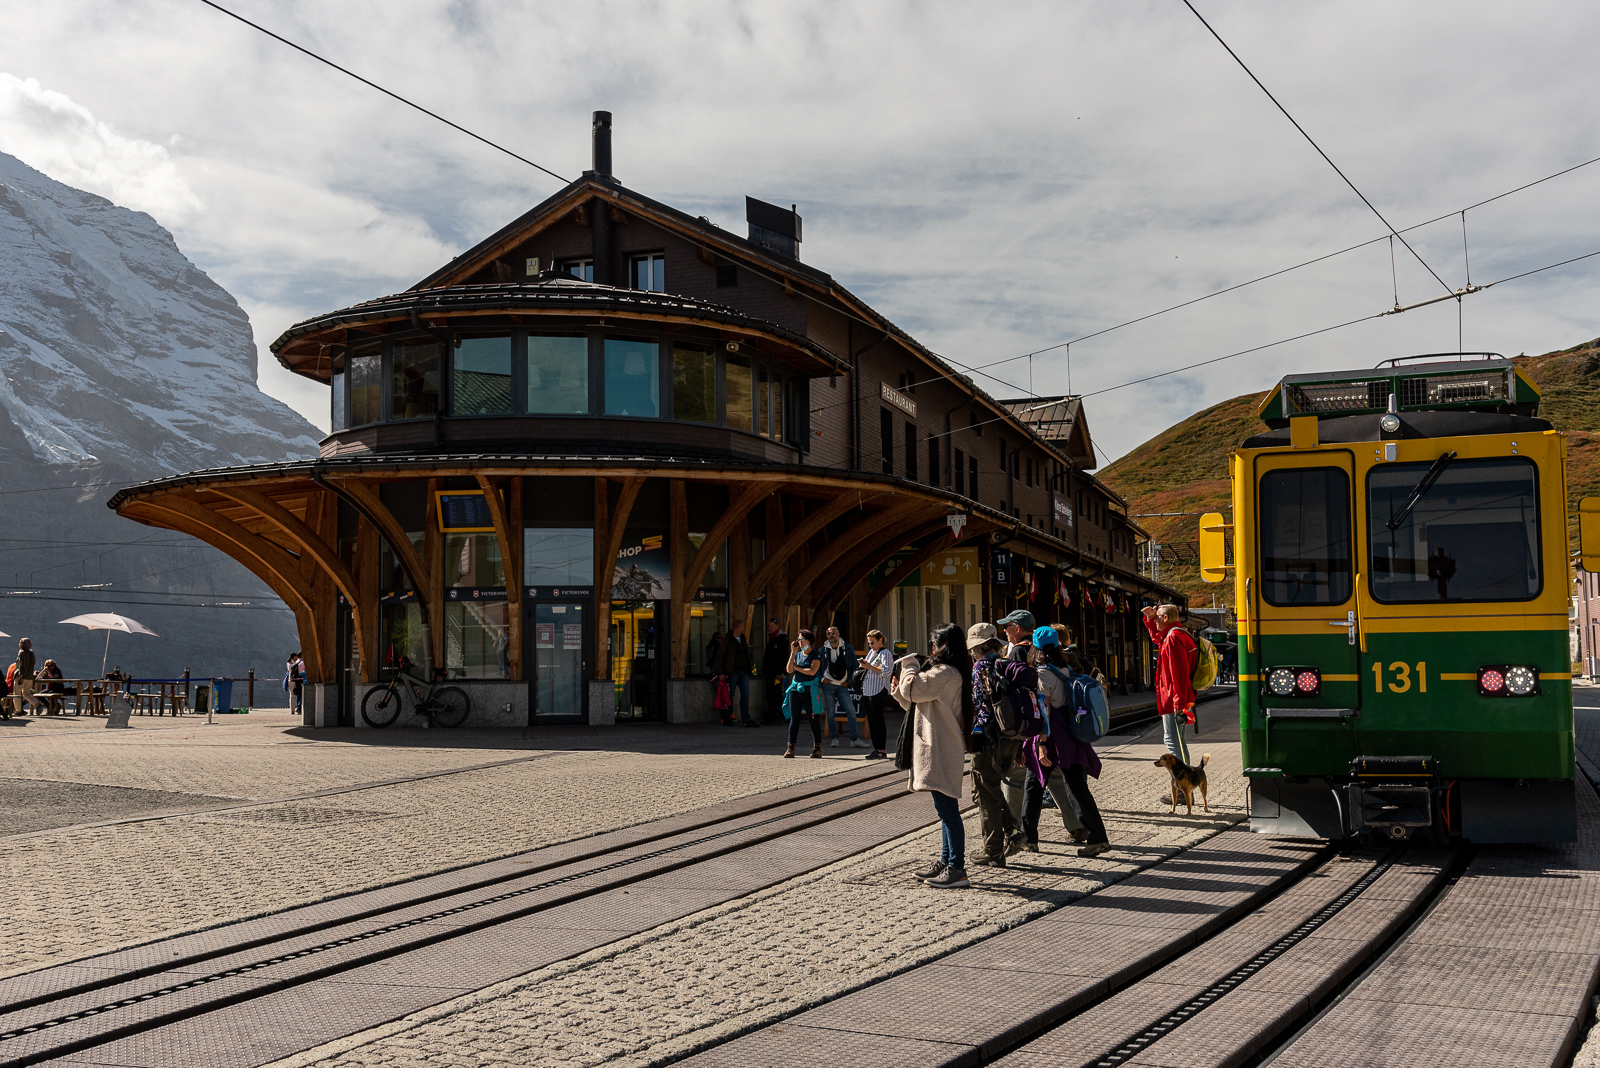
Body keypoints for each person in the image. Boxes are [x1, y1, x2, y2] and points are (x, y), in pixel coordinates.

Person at [894, 622, 975, 890]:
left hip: (943, 748)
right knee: (944, 810)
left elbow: (915, 689)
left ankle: (957, 868)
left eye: (933, 643)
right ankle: (945, 862)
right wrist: (899, 689)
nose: (930, 649)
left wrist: (908, 666)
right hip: (939, 747)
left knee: (949, 811)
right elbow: (914, 700)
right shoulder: (945, 673)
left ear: (944, 646)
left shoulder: (946, 673)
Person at [1023, 626, 1111, 857]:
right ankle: (1097, 836)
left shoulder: (1042, 674)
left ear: (1036, 647)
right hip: (1071, 733)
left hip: (1052, 734)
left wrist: (1041, 743)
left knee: (1034, 785)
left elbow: (1045, 710)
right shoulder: (1065, 667)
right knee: (1076, 787)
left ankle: (1029, 838)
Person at [967, 621, 1036, 869]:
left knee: (985, 794)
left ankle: (993, 851)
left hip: (989, 741)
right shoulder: (1007, 663)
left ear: (976, 647)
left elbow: (981, 706)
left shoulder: (980, 667)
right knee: (992, 790)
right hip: (1011, 738)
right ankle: (1013, 832)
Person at [1143, 604, 1198, 799]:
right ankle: (1185, 786)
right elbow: (1158, 639)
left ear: (1166, 618)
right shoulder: (1176, 634)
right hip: (1176, 698)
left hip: (1175, 699)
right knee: (1177, 741)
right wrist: (1149, 619)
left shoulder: (1174, 638)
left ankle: (1184, 789)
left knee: (1175, 742)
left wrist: (1178, 705)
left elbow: (1180, 674)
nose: (1156, 621)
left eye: (1157, 618)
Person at [819, 626, 866, 748]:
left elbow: (854, 666)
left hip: (842, 685)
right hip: (828, 685)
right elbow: (817, 667)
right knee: (830, 713)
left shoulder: (848, 648)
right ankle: (834, 738)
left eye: (833, 633)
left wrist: (849, 681)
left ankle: (854, 739)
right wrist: (822, 679)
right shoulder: (822, 650)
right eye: (829, 634)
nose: (831, 635)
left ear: (838, 634)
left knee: (851, 711)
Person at [782, 629, 824, 759]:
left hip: (809, 689)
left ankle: (817, 747)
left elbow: (812, 671)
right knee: (794, 719)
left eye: (802, 639)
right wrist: (792, 653)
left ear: (809, 641)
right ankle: (790, 747)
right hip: (796, 689)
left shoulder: (815, 655)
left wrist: (797, 668)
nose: (799, 642)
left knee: (813, 718)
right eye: (798, 640)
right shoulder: (798, 655)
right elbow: (789, 670)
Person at [859, 629, 894, 759]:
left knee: (878, 720)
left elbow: (886, 672)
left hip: (878, 690)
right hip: (868, 689)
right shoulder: (871, 652)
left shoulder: (885, 653)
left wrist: (869, 667)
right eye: (869, 643)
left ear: (880, 640)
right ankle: (877, 748)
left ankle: (882, 749)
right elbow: (870, 668)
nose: (870, 645)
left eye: (872, 642)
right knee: (872, 721)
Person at [713, 620, 755, 727]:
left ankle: (746, 719)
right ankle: (727, 718)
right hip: (732, 672)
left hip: (744, 671)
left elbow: (747, 653)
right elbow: (720, 656)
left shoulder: (743, 639)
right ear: (738, 627)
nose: (744, 629)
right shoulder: (727, 640)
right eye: (742, 626)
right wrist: (721, 672)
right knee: (729, 696)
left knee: (745, 695)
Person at [761, 618, 789, 724]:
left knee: (776, 693)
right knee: (770, 693)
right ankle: (771, 714)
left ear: (777, 627)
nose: (770, 628)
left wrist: (780, 672)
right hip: (770, 671)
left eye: (772, 626)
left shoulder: (781, 640)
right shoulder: (771, 639)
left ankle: (777, 715)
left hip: (778, 672)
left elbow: (783, 657)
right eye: (769, 626)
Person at [12, 638, 44, 717]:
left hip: (21, 677)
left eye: (20, 643)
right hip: (29, 677)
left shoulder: (21, 652)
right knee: (26, 693)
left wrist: (20, 676)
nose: (19, 644)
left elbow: (22, 665)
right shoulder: (31, 652)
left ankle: (18, 711)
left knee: (17, 694)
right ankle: (37, 704)